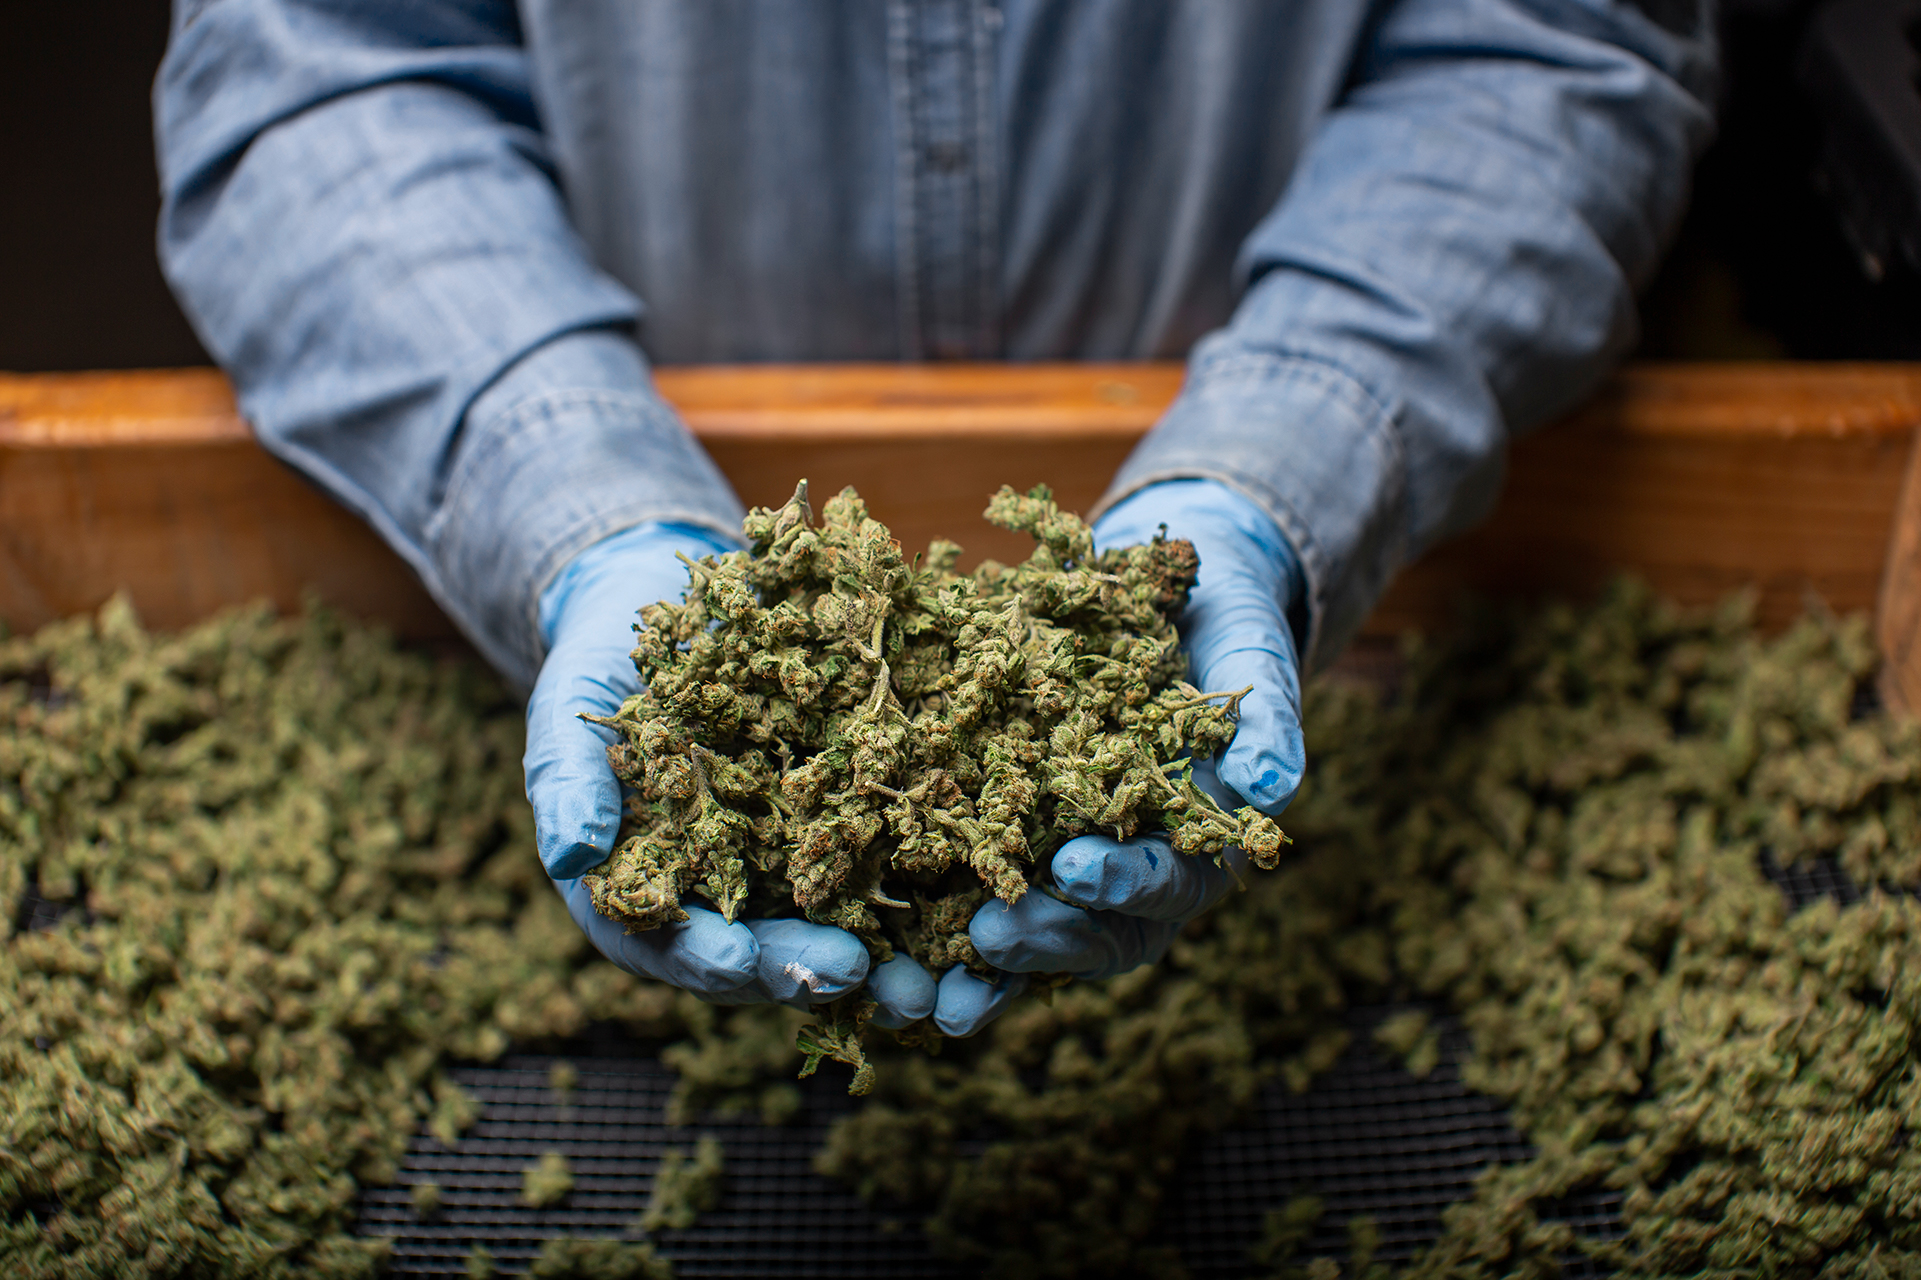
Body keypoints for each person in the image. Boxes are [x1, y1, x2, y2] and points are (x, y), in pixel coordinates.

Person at [154, 1, 1714, 1036]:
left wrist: (1277, 461)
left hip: (1299, 451)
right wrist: (571, 499)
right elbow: (311, 73)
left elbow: (1554, 46)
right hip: (621, 415)